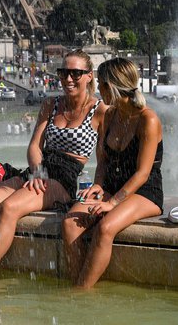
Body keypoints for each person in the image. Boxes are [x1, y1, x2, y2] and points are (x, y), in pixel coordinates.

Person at [0, 49, 107, 285]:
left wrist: (99, 185)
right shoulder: (51, 104)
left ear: (89, 76)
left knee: (9, 208)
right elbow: (35, 145)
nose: (68, 79)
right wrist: (37, 171)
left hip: (63, 178)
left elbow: (105, 156)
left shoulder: (100, 111)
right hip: (39, 170)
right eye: (64, 72)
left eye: (75, 73)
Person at [61, 57, 163, 288]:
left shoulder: (148, 119)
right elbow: (103, 161)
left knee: (106, 227)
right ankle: (76, 282)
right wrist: (98, 185)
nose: (97, 90)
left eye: (101, 85)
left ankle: (81, 293)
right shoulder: (109, 115)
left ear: (112, 87)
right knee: (69, 223)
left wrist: (113, 203)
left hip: (145, 192)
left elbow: (143, 173)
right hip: (111, 188)